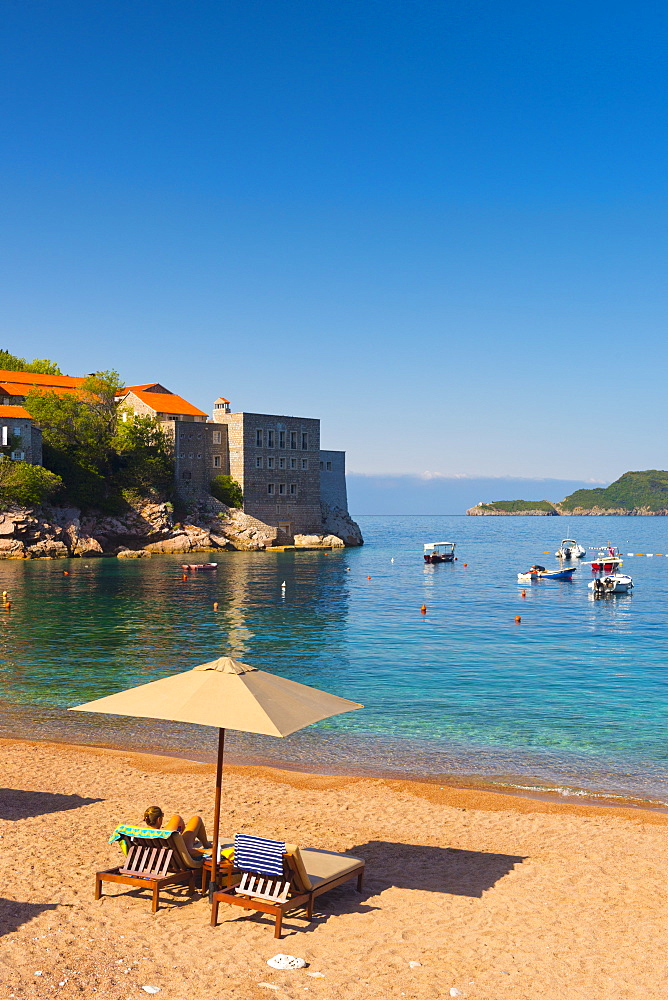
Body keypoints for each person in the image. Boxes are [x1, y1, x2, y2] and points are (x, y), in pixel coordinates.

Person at [142, 805, 211, 858]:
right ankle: (206, 844)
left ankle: (194, 842)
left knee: (176, 818)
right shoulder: (165, 836)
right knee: (196, 819)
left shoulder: (140, 833)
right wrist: (205, 851)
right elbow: (184, 852)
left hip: (155, 860)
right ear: (159, 819)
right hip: (176, 860)